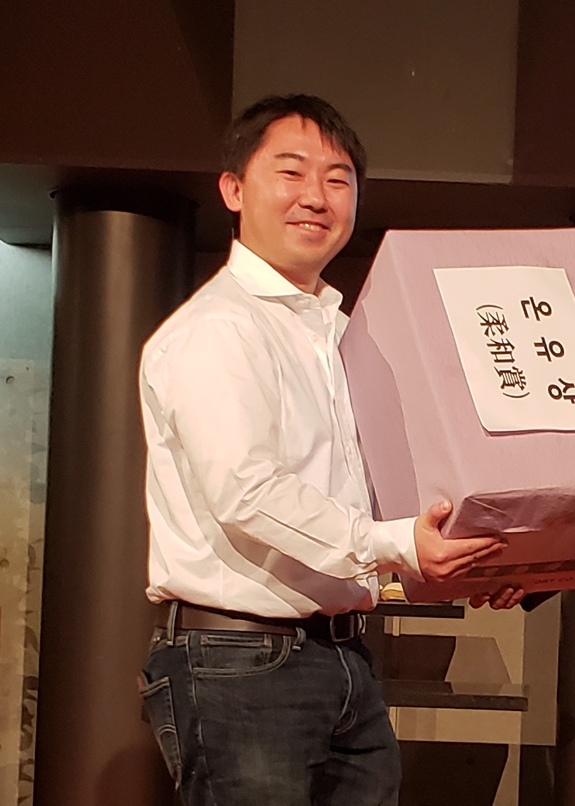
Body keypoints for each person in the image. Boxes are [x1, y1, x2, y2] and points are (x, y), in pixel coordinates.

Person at [138, 94, 506, 806]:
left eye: (338, 179)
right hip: (237, 658)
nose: (316, 196)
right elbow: (247, 493)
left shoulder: (343, 334)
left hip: (342, 652)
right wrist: (399, 543)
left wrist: (476, 557)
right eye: (291, 172)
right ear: (233, 189)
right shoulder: (218, 329)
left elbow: (380, 489)